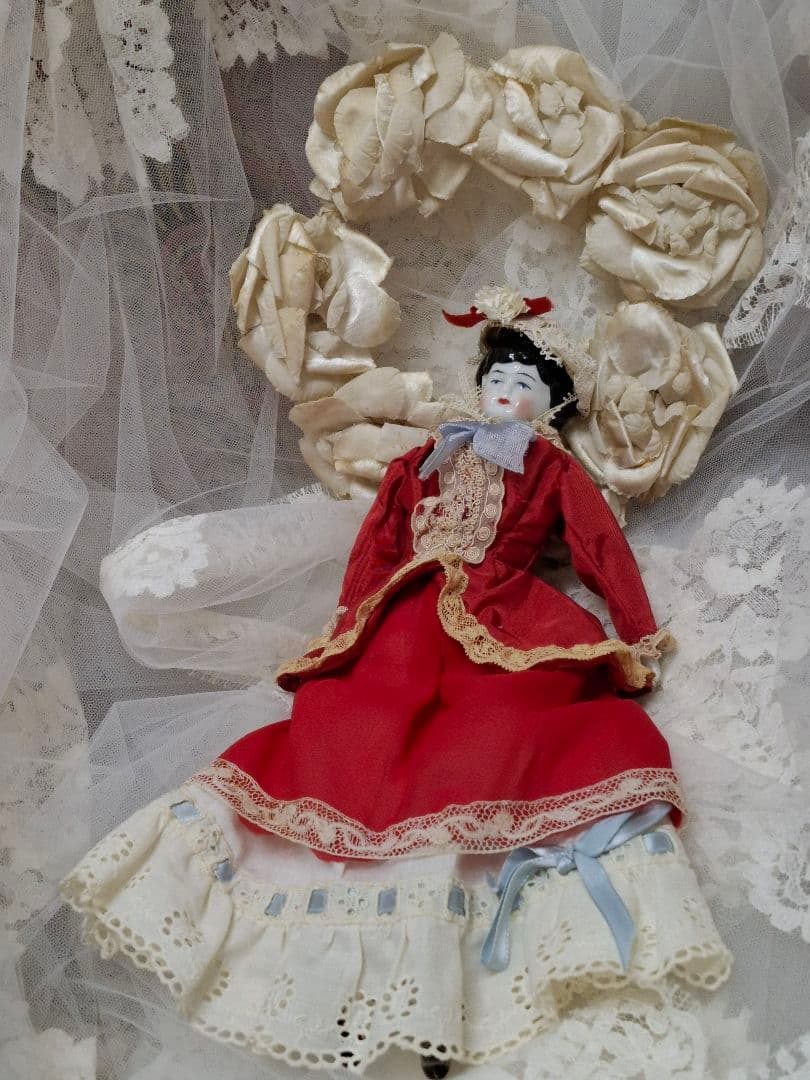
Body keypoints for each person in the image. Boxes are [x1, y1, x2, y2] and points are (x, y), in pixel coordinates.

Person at [61, 290, 730, 1077]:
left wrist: (635, 626)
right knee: (353, 727)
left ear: (552, 404)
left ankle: (457, 959)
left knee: (503, 725)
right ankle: (347, 954)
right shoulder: (425, 459)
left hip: (503, 611)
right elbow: (378, 543)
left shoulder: (550, 467)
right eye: (498, 377)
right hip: (403, 615)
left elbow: (599, 546)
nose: (507, 391)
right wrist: (350, 619)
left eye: (526, 383)